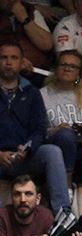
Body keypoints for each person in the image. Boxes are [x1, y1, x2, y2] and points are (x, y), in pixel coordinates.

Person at [0, 38, 71, 212]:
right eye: (3, 57)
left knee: (52, 152)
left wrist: (28, 148)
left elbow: (40, 129)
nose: (8, 62)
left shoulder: (32, 92)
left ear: (22, 62)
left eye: (14, 58)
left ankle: (64, 214)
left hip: (22, 157)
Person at [40, 49, 82, 196]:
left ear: (79, 73)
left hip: (81, 150)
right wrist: (54, 130)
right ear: (56, 68)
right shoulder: (41, 95)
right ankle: (67, 185)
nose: (67, 69)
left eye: (73, 66)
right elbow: (35, 133)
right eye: (63, 64)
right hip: (54, 150)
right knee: (65, 135)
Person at [0, 0, 54, 75]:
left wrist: (24, 19)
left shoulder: (30, 11)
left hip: (36, 71)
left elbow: (47, 45)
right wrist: (17, 61)